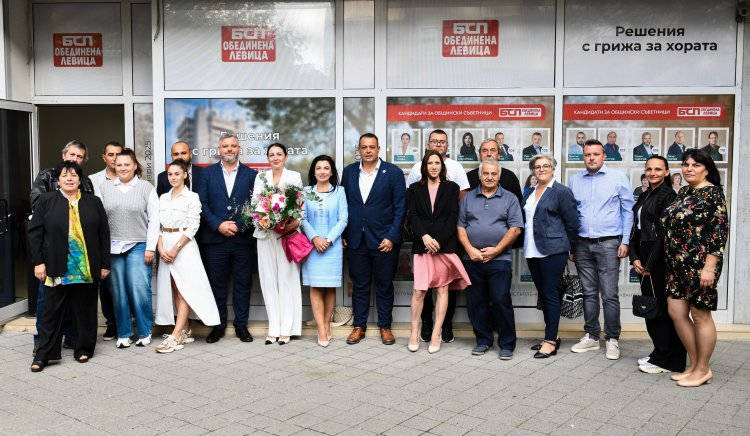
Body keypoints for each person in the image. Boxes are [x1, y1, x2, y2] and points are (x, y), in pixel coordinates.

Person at [28, 161, 110, 372]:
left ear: (80, 179)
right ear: (58, 180)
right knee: (51, 313)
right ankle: (44, 354)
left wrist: (104, 264)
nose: (69, 179)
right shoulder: (46, 200)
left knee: (85, 310)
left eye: (73, 175)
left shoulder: (93, 202)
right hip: (56, 266)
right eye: (64, 175)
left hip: (85, 267)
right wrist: (38, 262)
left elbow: (104, 234)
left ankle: (83, 348)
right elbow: (35, 234)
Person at [662, 149, 728, 387]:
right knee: (676, 311)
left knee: (700, 315)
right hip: (677, 264)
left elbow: (719, 234)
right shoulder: (685, 191)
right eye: (686, 164)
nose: (689, 169)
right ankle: (694, 364)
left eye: (695, 165)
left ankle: (703, 369)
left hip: (700, 265)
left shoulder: (713, 194)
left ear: (706, 169)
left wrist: (709, 268)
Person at [568, 139, 634, 360]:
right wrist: (571, 244)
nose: (591, 158)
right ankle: (592, 336)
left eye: (596, 154)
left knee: (609, 294)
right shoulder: (575, 180)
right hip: (582, 244)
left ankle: (612, 339)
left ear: (604, 156)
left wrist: (625, 241)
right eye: (587, 155)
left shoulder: (618, 177)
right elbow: (571, 214)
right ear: (583, 157)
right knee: (588, 293)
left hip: (608, 243)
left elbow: (628, 211)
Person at [30, 140, 95, 353]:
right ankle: (42, 340)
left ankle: (71, 336)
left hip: (76, 251)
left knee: (73, 296)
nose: (75, 159)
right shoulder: (46, 176)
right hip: (52, 249)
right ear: (63, 154)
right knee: (47, 299)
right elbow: (37, 206)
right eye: (72, 154)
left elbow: (88, 209)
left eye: (79, 157)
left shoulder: (85, 181)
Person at [341, 133, 406, 345]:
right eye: (364, 147)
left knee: (384, 285)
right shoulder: (349, 172)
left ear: (379, 149)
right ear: (359, 150)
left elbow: (400, 208)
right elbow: (343, 204)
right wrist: (344, 234)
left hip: (384, 241)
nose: (368, 150)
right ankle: (359, 326)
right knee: (359, 285)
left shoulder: (393, 173)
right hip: (356, 239)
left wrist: (392, 237)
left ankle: (385, 326)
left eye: (372, 147)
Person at [406, 130, 470, 343]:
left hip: (444, 246)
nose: (434, 166)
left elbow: (453, 216)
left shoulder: (452, 188)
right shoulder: (415, 188)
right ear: (424, 167)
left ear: (442, 166)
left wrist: (439, 241)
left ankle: (437, 334)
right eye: (430, 163)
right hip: (422, 246)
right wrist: (424, 237)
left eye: (437, 163)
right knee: (419, 290)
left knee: (443, 289)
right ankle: (415, 333)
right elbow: (412, 215)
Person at [458, 159, 523, 360]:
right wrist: (470, 250)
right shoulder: (468, 198)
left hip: (500, 259)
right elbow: (460, 227)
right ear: (479, 175)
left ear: (499, 176)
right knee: (476, 302)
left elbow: (515, 229)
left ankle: (507, 344)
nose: (489, 177)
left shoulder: (510, 198)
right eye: (485, 173)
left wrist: (496, 251)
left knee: (500, 300)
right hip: (472, 259)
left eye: (494, 174)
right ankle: (483, 340)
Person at [154, 159, 220, 353]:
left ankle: (175, 336)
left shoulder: (192, 197)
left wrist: (175, 248)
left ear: (185, 175)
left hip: (184, 247)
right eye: (170, 174)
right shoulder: (163, 197)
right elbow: (158, 226)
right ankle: (184, 329)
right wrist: (161, 248)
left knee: (184, 290)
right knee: (175, 290)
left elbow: (193, 226)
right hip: (165, 244)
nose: (173, 177)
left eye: (177, 174)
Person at [629, 156, 686, 374]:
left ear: (666, 172)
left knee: (660, 309)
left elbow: (664, 235)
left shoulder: (668, 195)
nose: (653, 173)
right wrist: (634, 256)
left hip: (658, 259)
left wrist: (650, 264)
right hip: (643, 256)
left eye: (658, 169)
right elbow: (636, 228)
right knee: (651, 307)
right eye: (649, 169)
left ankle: (670, 360)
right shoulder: (646, 194)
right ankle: (659, 352)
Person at [198, 133, 257, 343]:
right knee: (217, 285)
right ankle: (218, 326)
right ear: (219, 149)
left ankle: (241, 326)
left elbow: (255, 205)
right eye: (225, 146)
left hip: (242, 240)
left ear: (239, 149)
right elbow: (202, 204)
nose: (229, 149)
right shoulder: (207, 174)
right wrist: (218, 225)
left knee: (243, 284)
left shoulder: (252, 175)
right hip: (215, 239)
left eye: (233, 146)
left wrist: (239, 225)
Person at [99, 148, 159, 348]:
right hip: (113, 247)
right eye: (119, 164)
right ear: (114, 166)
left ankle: (145, 331)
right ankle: (124, 333)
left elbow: (154, 220)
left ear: (134, 166)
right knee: (118, 291)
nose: (123, 168)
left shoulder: (146, 188)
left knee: (138, 288)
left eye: (127, 164)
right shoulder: (104, 188)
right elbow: (100, 221)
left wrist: (151, 248)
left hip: (139, 245)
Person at [522, 155, 579, 359]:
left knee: (550, 294)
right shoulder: (530, 191)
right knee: (544, 295)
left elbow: (572, 222)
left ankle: (550, 341)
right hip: (532, 249)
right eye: (537, 166)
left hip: (553, 250)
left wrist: (572, 248)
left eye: (546, 165)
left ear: (553, 169)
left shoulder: (561, 191)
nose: (541, 169)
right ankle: (551, 335)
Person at [253, 143, 304, 345]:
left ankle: (287, 328)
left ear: (285, 157)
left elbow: (299, 205)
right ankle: (273, 327)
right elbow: (255, 204)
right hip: (265, 234)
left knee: (287, 279)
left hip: (286, 234)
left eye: (279, 154)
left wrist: (288, 222)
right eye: (271, 155)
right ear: (268, 158)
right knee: (268, 280)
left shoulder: (294, 176)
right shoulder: (261, 177)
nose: (275, 157)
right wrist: (265, 220)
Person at [301, 155, 348, 347]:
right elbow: (302, 218)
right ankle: (321, 328)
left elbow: (343, 219)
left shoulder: (339, 191)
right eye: (318, 168)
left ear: (331, 171)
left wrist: (328, 239)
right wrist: (315, 238)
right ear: (313, 172)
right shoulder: (306, 192)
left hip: (332, 246)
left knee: (329, 286)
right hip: (312, 246)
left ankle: (327, 323)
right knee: (315, 286)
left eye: (326, 168)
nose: (322, 171)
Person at [89, 140, 123, 341]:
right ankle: (111, 323)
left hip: (125, 237)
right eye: (111, 154)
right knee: (106, 283)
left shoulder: (130, 177)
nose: (115, 158)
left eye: (118, 154)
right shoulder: (93, 180)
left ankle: (126, 320)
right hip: (102, 239)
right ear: (104, 157)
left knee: (124, 283)